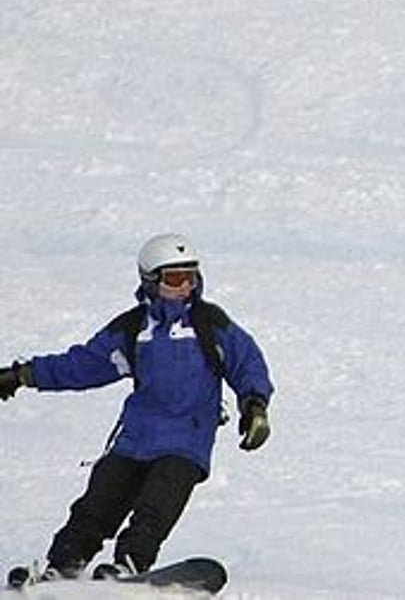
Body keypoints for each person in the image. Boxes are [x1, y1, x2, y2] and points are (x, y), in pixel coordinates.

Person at [0, 233, 274, 582]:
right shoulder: (133, 329)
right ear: (151, 280)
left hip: (185, 442)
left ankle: (129, 566)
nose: (186, 285)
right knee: (96, 505)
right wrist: (23, 375)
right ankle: (62, 567)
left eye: (191, 275)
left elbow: (246, 362)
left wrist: (254, 404)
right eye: (175, 278)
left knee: (155, 509)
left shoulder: (210, 324)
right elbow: (82, 365)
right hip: (135, 438)